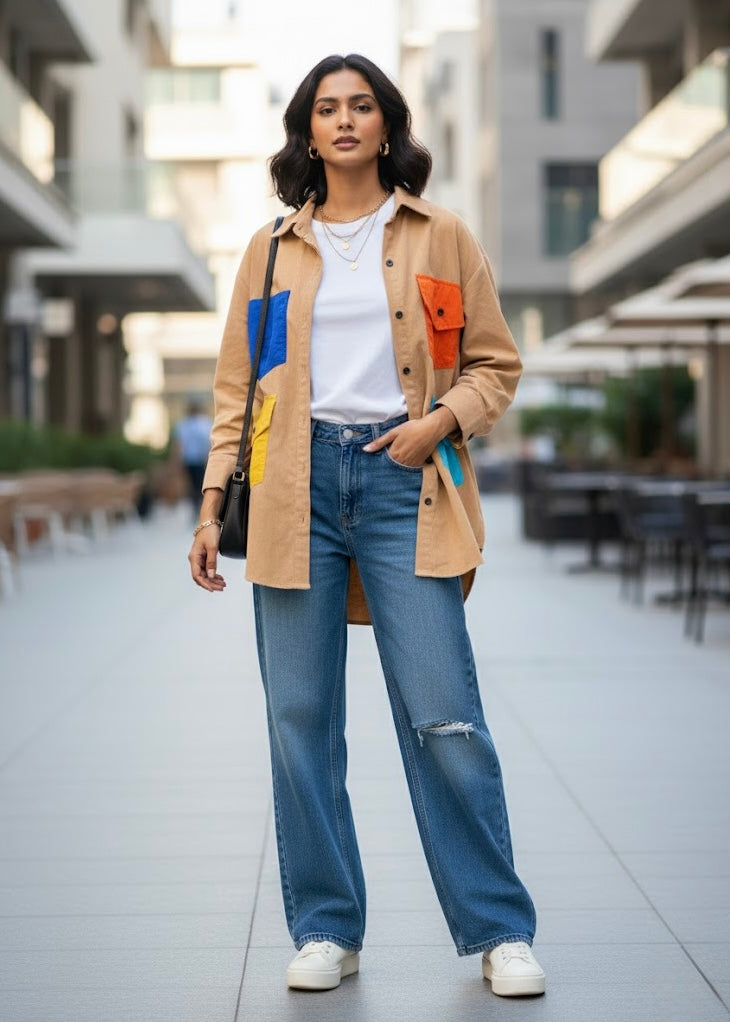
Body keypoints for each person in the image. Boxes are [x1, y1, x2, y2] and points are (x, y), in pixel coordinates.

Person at [188, 53, 545, 998]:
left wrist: (437, 423)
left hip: (405, 484)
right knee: (300, 720)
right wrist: (213, 500)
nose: (344, 121)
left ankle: (500, 930)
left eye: (362, 106)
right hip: (291, 491)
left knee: (443, 715)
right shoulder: (271, 251)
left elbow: (496, 366)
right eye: (326, 109)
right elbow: (238, 393)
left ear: (388, 124)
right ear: (307, 131)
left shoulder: (442, 236)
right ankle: (326, 930)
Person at [173, 400, 212, 516]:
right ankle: (200, 508)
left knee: (192, 485)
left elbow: (179, 445)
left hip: (189, 459)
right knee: (201, 484)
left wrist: (177, 460)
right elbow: (209, 443)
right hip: (201, 459)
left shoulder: (183, 424)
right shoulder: (205, 423)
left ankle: (196, 507)